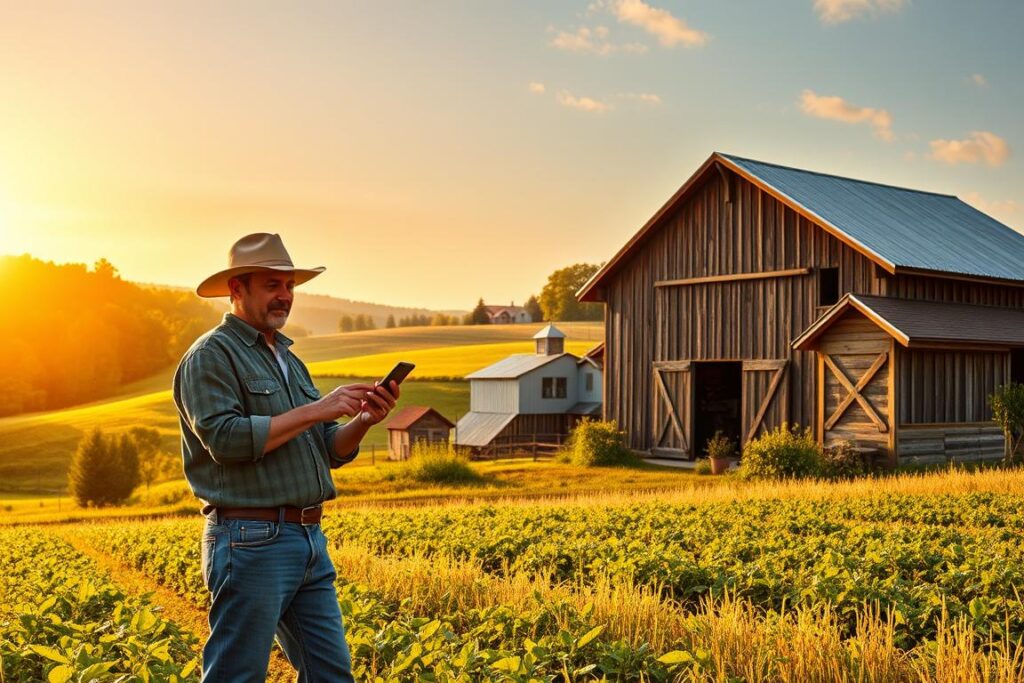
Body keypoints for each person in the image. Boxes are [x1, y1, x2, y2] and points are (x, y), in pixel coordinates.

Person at [172, 233, 398, 682]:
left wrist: (364, 421)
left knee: (331, 675)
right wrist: (320, 407)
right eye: (272, 285)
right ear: (237, 289)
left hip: (309, 539)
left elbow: (327, 449)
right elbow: (226, 440)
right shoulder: (210, 356)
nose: (285, 296)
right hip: (250, 539)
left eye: (290, 286)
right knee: (238, 676)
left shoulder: (288, 359)